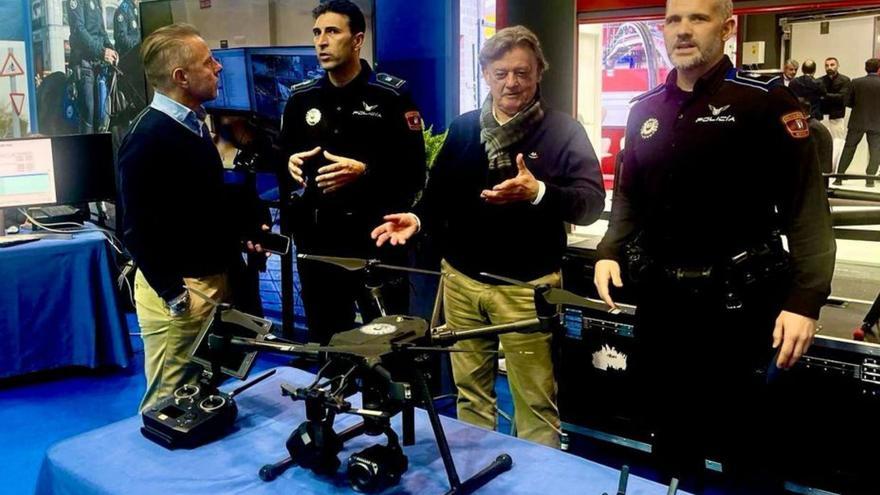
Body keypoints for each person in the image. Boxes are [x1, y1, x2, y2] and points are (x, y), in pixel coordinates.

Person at [593, 0, 835, 491]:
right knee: (671, 437)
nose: (683, 31)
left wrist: (806, 299)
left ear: (727, 28)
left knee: (748, 446)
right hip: (664, 302)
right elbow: (629, 199)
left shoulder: (766, 101)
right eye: (673, 20)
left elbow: (807, 208)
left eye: (697, 19)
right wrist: (607, 249)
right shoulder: (645, 109)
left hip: (742, 305)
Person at [371, 25, 605, 448]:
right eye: (501, 73)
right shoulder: (463, 129)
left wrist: (539, 193)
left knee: (534, 402)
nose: (511, 82)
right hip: (462, 283)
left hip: (525, 290)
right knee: (471, 395)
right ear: (485, 75)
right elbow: (438, 195)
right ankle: (477, 472)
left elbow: (590, 204)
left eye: (522, 72)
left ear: (538, 75)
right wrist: (417, 220)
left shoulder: (563, 131)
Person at [118, 23, 265, 412]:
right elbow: (135, 226)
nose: (218, 68)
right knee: (168, 403)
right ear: (181, 77)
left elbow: (196, 202)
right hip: (180, 291)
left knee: (201, 393)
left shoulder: (192, 125)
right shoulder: (148, 137)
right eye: (208, 62)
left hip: (208, 280)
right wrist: (174, 295)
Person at [280, 0, 426, 345]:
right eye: (317, 33)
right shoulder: (302, 98)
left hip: (375, 240)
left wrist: (366, 171)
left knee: (388, 344)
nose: (321, 41)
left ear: (357, 40)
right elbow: (284, 160)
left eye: (332, 31)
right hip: (320, 244)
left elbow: (415, 173)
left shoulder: (391, 95)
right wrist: (289, 165)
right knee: (327, 343)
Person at [67, 0, 118, 133]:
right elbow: (79, 30)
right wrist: (101, 52)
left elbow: (102, 32)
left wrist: (111, 49)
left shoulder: (96, 2)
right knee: (89, 111)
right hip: (84, 63)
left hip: (98, 63)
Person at [835, 58, 880, 187]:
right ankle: (870, 180)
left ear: (866, 68)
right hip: (877, 122)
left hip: (857, 120)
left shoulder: (856, 82)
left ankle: (839, 176)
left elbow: (847, 102)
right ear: (878, 69)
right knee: (875, 151)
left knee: (849, 148)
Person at [820, 57, 851, 141]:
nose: (829, 67)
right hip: (823, 116)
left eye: (832, 65)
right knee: (823, 142)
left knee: (838, 142)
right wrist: (833, 96)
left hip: (837, 117)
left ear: (838, 65)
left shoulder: (845, 80)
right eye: (827, 65)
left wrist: (825, 96)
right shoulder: (820, 80)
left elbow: (842, 98)